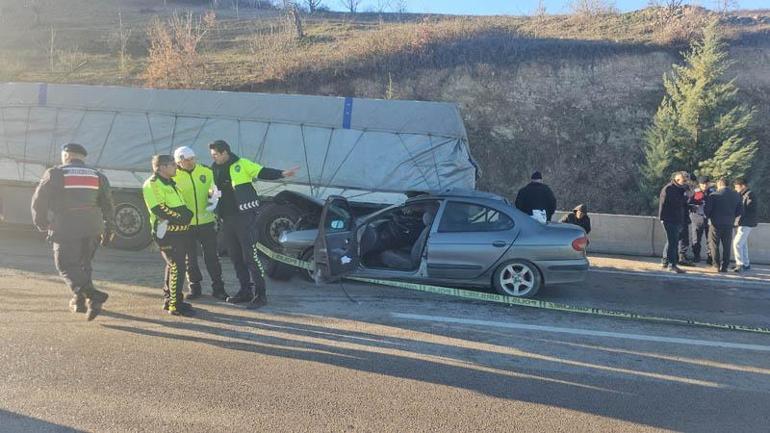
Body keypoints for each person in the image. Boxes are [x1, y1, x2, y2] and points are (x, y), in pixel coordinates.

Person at [209, 140, 299, 309]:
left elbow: (261, 171)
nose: (214, 158)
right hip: (226, 218)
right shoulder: (214, 167)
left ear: (225, 152)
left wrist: (282, 173)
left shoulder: (241, 164)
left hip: (244, 216)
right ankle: (245, 291)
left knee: (250, 256)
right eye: (212, 155)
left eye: (215, 155)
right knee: (235, 256)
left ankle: (260, 294)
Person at [30, 143, 114, 321]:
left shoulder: (56, 173)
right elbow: (108, 204)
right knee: (83, 264)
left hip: (67, 226)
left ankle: (92, 295)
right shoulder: (97, 175)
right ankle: (82, 302)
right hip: (93, 227)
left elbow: (39, 201)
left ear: (67, 155)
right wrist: (109, 229)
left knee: (65, 265)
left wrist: (42, 224)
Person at [172, 146, 227, 301]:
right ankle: (195, 288)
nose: (190, 163)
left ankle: (218, 288)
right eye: (185, 161)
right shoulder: (173, 177)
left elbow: (213, 188)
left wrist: (213, 194)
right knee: (190, 258)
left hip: (206, 222)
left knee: (212, 257)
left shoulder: (206, 171)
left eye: (192, 159)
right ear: (178, 162)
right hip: (186, 224)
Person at [142, 155, 195, 316]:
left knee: (175, 266)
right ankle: (174, 305)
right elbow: (159, 209)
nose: (176, 167)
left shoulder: (171, 182)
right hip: (167, 233)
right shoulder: (152, 184)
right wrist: (181, 217)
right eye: (172, 164)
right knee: (176, 266)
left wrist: (186, 215)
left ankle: (171, 299)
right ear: (162, 167)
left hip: (180, 231)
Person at [704, 178, 742, 273]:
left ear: (719, 184)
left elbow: (707, 210)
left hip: (715, 223)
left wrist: (709, 217)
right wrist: (731, 217)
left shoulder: (713, 195)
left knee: (714, 244)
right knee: (727, 245)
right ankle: (725, 266)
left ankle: (716, 265)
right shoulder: (736, 195)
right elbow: (740, 211)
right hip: (729, 223)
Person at [658, 171, 688, 273]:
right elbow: (676, 203)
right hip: (670, 219)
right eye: (684, 180)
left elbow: (681, 203)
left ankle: (665, 262)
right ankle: (672, 265)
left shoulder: (677, 189)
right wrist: (686, 196)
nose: (685, 182)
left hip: (675, 218)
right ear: (677, 179)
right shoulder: (670, 189)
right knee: (673, 242)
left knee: (671, 241)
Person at [732, 178, 757, 273]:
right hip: (742, 222)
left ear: (742, 186)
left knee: (737, 243)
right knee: (743, 244)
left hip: (746, 223)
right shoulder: (743, 194)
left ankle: (740, 264)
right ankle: (746, 264)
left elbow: (744, 209)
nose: (735, 188)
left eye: (736, 186)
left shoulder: (749, 195)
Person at [689, 176, 714, 265]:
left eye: (706, 184)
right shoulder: (695, 192)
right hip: (697, 217)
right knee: (696, 239)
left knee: (710, 239)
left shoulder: (712, 192)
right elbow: (688, 203)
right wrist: (696, 204)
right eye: (703, 184)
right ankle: (696, 256)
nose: (705, 185)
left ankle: (710, 257)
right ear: (699, 184)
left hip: (709, 219)